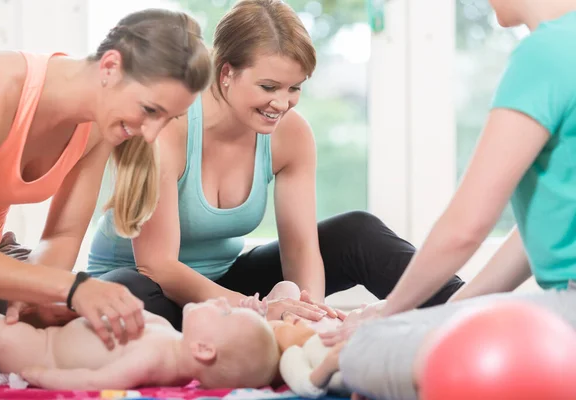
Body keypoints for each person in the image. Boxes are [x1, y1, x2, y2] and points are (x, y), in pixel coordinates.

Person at [87, 0, 465, 330]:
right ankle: (235, 334)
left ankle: (470, 310)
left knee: (357, 231)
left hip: (226, 284)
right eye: (269, 87)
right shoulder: (170, 128)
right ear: (227, 73)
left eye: (294, 88)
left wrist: (307, 313)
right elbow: (159, 267)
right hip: (147, 286)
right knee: (133, 296)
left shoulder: (291, 135)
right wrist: (262, 309)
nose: (282, 103)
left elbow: (301, 249)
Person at [317, 0, 576, 398]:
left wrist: (387, 316)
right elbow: (538, 235)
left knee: (362, 350)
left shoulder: (544, 54)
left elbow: (465, 228)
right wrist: (444, 313)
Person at [0, 8, 212, 348]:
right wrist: (67, 289)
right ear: (110, 67)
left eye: (167, 119)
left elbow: (62, 234)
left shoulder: (98, 126)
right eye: (150, 110)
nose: (151, 135)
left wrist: (33, 299)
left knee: (134, 301)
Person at [0, 298, 279, 390]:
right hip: (54, 329)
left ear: (203, 349)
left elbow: (96, 381)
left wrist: (41, 375)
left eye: (224, 313)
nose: (221, 302)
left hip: (42, 350)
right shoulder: (169, 335)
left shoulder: (152, 361)